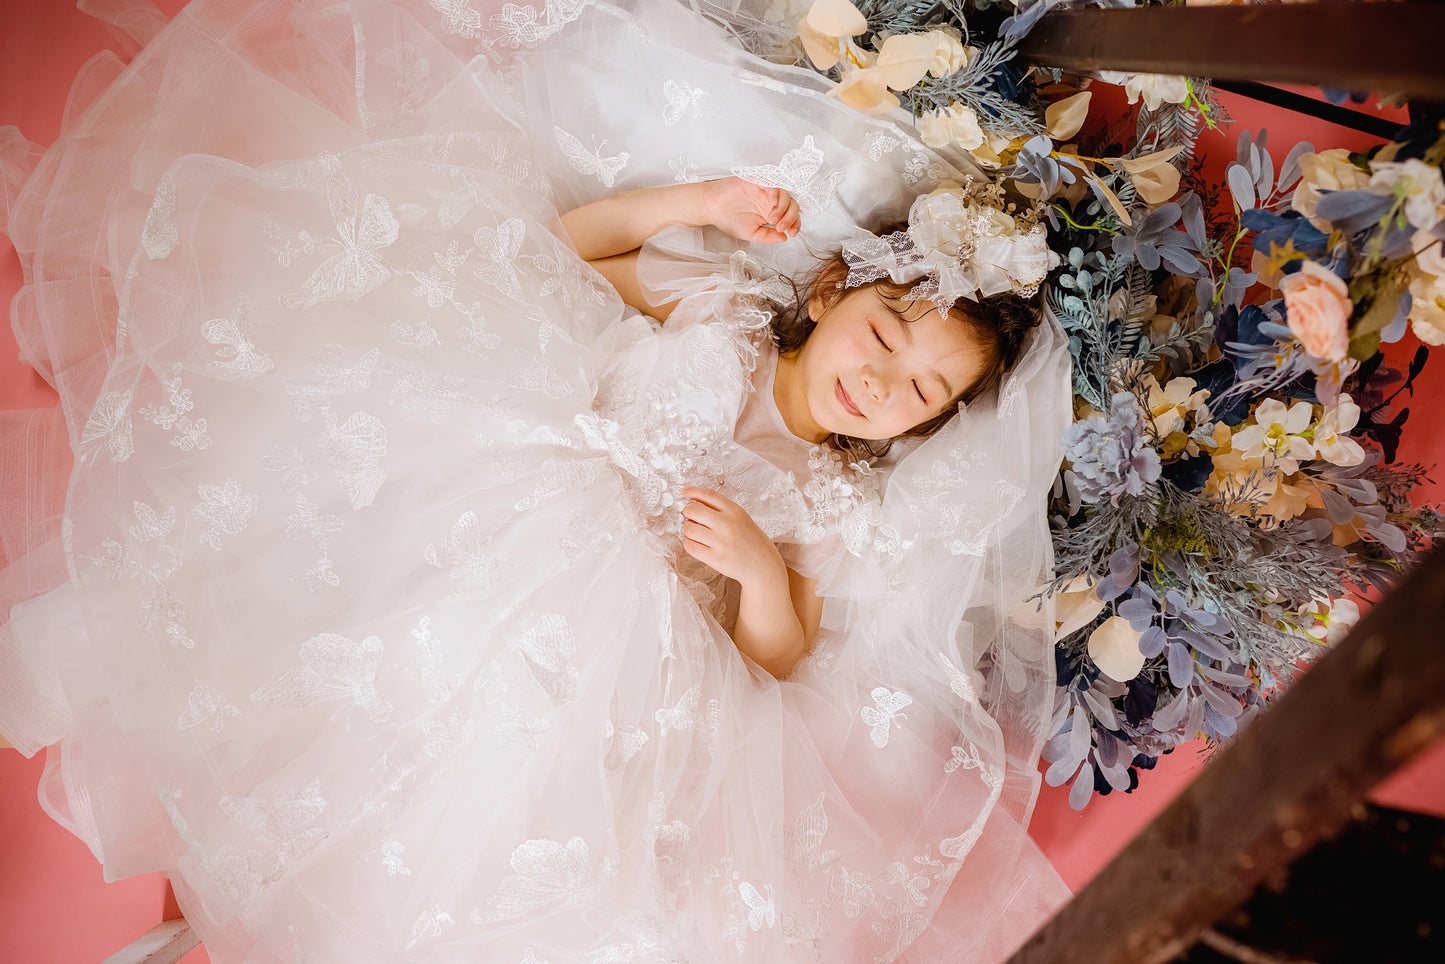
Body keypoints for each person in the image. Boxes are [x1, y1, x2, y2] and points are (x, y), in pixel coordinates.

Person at [0, 0, 1075, 960]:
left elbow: (787, 649)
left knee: (493, 780)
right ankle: (233, 862)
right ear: (835, 292)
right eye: (884, 337)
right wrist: (689, 200)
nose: (881, 382)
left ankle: (270, 923)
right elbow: (565, 250)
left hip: (621, 635)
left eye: (920, 393)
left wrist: (753, 572)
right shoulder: (728, 303)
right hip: (516, 486)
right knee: (350, 637)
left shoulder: (833, 497)